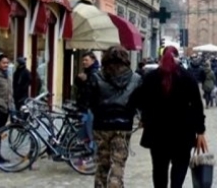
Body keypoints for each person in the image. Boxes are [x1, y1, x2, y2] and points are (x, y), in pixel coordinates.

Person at [135, 46, 207, 188]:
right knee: (179, 170)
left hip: (157, 132)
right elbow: (197, 106)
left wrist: (145, 116)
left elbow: (139, 100)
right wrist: (200, 131)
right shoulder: (187, 77)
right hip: (183, 132)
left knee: (159, 170)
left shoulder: (151, 77)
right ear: (177, 57)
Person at [88, 46, 141, 188]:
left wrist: (99, 112)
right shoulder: (135, 79)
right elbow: (139, 101)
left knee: (102, 164)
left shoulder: (97, 77)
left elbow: (90, 101)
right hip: (123, 126)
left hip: (101, 125)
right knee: (118, 164)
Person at [75, 52, 100, 148]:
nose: (84, 62)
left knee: (89, 132)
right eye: (83, 60)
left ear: (93, 60)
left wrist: (84, 81)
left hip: (88, 107)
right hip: (84, 106)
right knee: (84, 131)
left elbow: (90, 91)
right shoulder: (87, 72)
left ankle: (91, 152)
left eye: (86, 60)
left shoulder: (93, 73)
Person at [0, 55, 12, 161]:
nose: (6, 65)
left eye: (7, 63)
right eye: (4, 63)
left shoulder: (6, 74)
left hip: (5, 108)